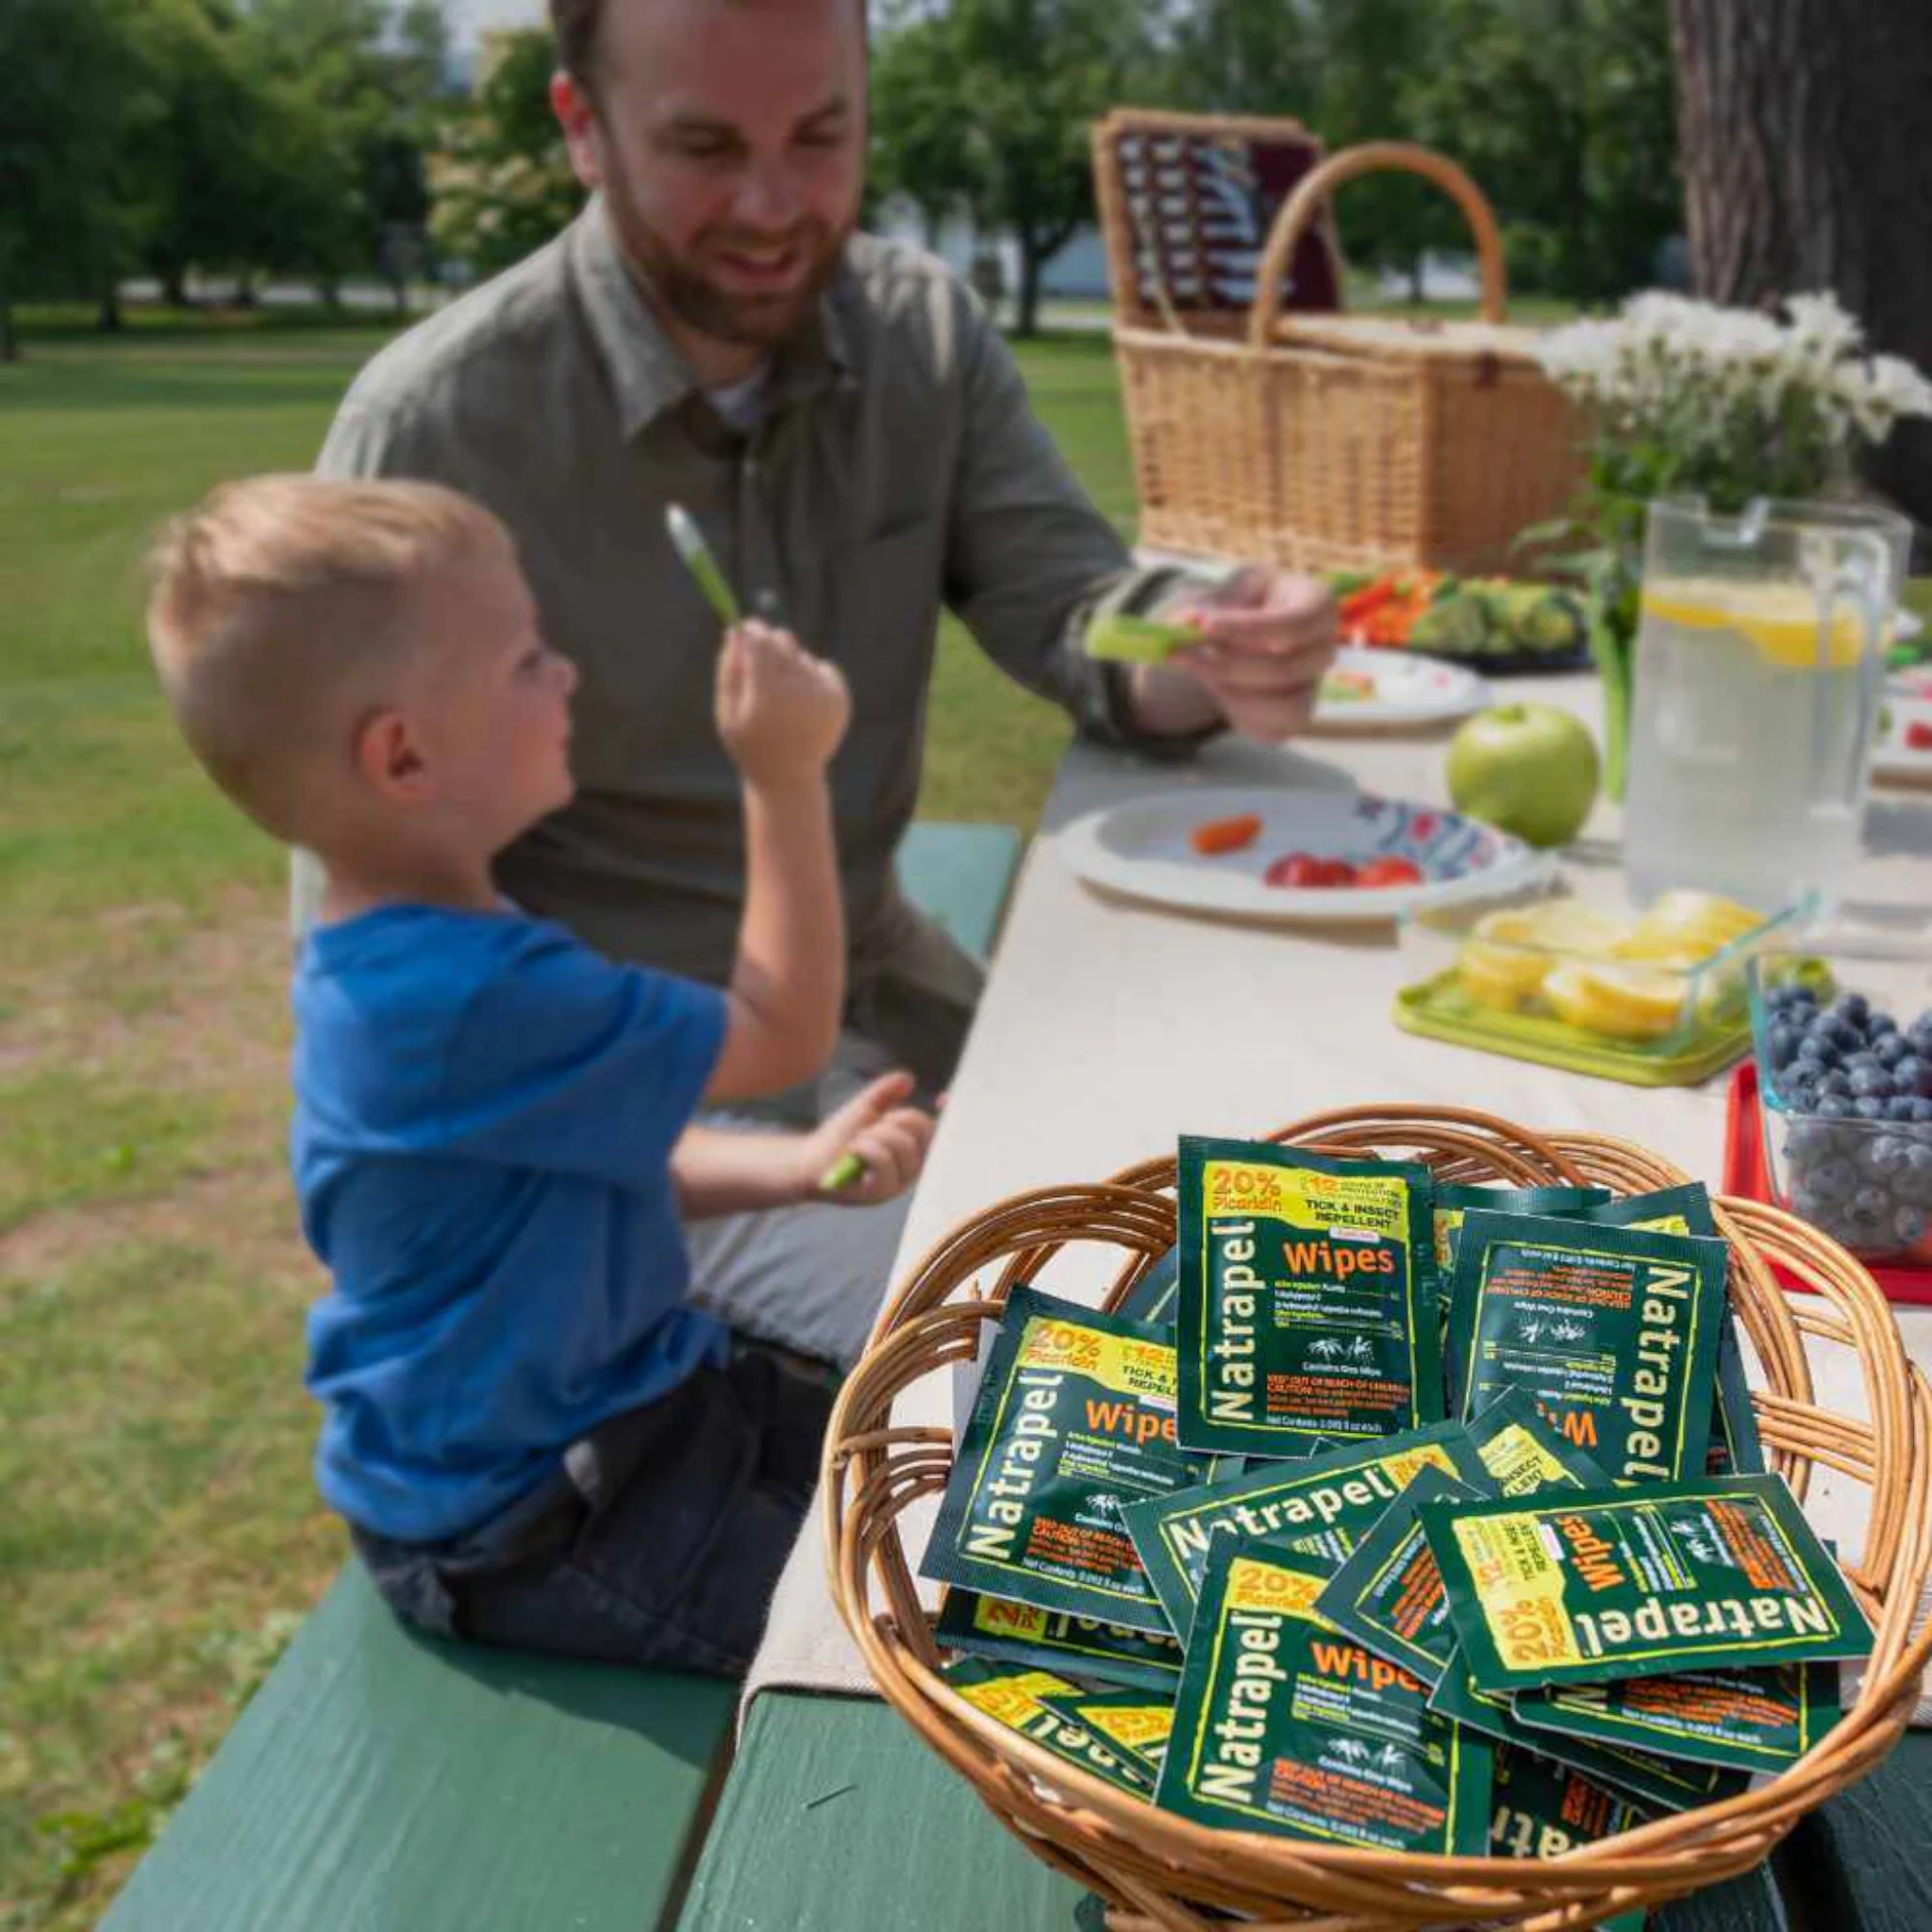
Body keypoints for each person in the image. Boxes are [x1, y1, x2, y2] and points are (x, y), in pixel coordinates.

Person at [308, 0, 1341, 1371]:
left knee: (1263, 1204)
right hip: (645, 1108)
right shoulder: (438, 428)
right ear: (582, 129)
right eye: (704, 145)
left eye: (821, 135)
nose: (774, 203)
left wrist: (1217, 652)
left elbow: (1080, 617)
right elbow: (367, 961)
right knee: (1080, 1363)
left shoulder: (920, 331)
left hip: (882, 987)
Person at [146, 474, 933, 1674]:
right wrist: (783, 773)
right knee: (892, 1632)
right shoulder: (462, 993)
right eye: (524, 663)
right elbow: (782, 1033)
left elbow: (588, 1149)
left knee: (932, 1475)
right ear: (403, 754)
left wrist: (784, 1164)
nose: (562, 674)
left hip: (641, 1397)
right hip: (527, 1508)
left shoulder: (422, 948)